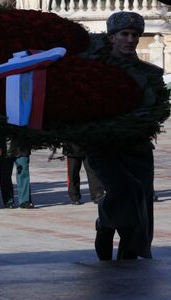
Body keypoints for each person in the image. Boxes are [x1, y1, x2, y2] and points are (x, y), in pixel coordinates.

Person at [85, 12, 165, 260]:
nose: (130, 39)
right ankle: (106, 225)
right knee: (123, 190)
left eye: (135, 35)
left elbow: (158, 109)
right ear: (112, 37)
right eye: (124, 34)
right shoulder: (95, 70)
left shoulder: (151, 73)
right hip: (103, 146)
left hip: (138, 147)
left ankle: (131, 255)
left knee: (141, 202)